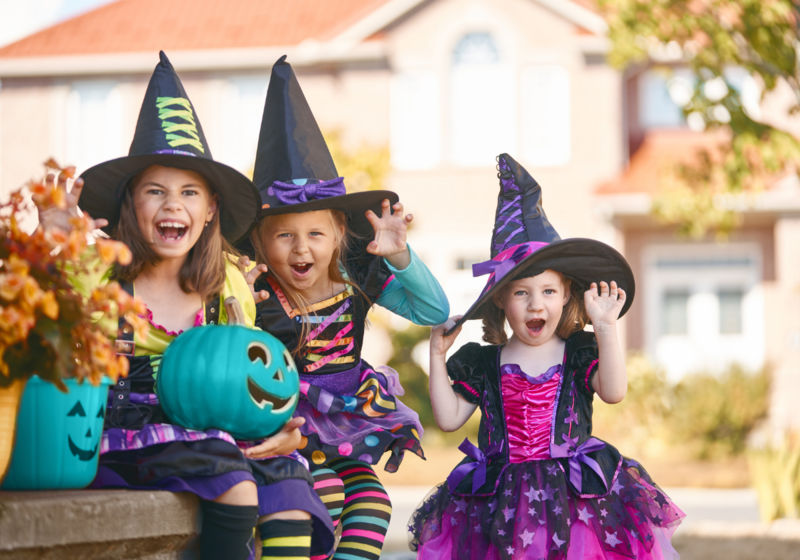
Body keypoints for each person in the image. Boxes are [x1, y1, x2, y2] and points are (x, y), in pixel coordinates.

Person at [37, 52, 334, 560]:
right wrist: (49, 252)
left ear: (210, 209)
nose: (174, 204)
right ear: (131, 204)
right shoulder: (97, 275)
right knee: (235, 483)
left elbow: (252, 380)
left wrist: (278, 428)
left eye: (190, 193)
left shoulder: (227, 290)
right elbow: (37, 333)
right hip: (122, 435)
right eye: (156, 191)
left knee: (290, 488)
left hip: (216, 438)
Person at [408, 154, 685, 560]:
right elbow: (449, 419)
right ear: (501, 299)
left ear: (567, 295)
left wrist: (605, 329)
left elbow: (614, 392)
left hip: (574, 497)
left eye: (548, 291)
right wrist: (436, 354)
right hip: (499, 503)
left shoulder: (578, 353)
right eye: (521, 292)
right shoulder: (483, 363)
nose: (536, 304)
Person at [238, 56, 450, 560]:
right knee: (325, 497)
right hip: (290, 424)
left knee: (375, 504)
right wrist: (237, 305)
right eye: (284, 236)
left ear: (338, 236)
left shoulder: (355, 279)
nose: (301, 249)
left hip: (347, 421)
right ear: (259, 245)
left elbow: (434, 311)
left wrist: (399, 256)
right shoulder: (258, 295)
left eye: (315, 234)